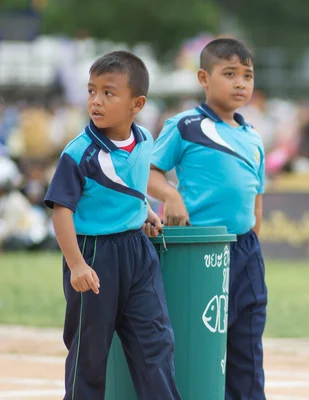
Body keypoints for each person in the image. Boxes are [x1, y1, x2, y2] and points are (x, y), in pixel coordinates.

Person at [43, 51, 181, 400]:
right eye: (91, 91)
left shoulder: (146, 140)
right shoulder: (79, 154)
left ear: (137, 103)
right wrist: (76, 265)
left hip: (138, 253)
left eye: (108, 92)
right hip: (93, 255)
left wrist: (144, 210)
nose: (96, 101)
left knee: (156, 344)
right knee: (88, 355)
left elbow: (130, 185)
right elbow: (61, 211)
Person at [148, 38, 267, 400]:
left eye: (247, 75)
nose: (240, 83)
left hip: (245, 251)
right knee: (196, 341)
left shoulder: (253, 137)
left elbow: (256, 198)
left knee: (247, 344)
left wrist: (254, 240)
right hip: (199, 250)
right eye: (229, 74)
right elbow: (149, 172)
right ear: (203, 77)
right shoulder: (185, 125)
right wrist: (171, 195)